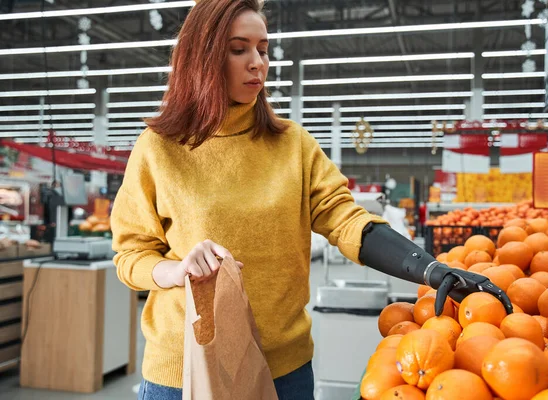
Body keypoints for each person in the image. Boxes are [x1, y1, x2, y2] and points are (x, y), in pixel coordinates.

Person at [111, 1, 512, 399]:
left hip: (283, 370)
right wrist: (175, 270)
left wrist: (431, 270)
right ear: (203, 56)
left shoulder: (292, 145)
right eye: (239, 49)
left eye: (263, 49)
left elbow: (347, 220)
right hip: (186, 368)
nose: (257, 63)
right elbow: (131, 254)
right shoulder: (160, 149)